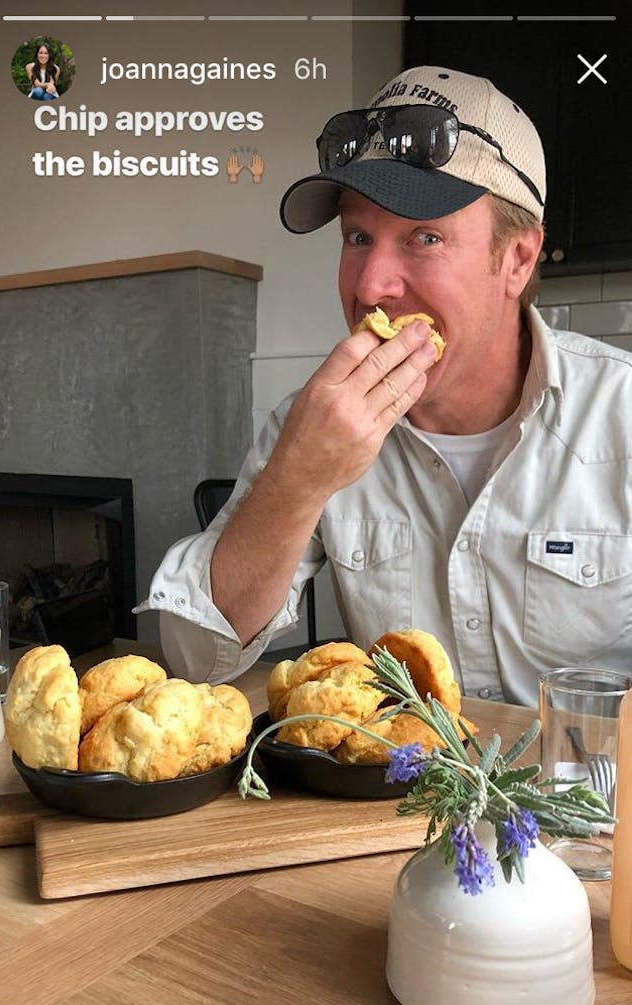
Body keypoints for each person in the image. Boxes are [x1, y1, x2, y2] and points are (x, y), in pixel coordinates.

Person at [140, 64, 632, 708]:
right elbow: (197, 659)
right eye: (358, 236)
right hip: (400, 799)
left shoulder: (619, 414)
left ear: (516, 259)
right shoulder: (313, 422)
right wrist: (299, 479)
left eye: (424, 237)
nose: (370, 286)